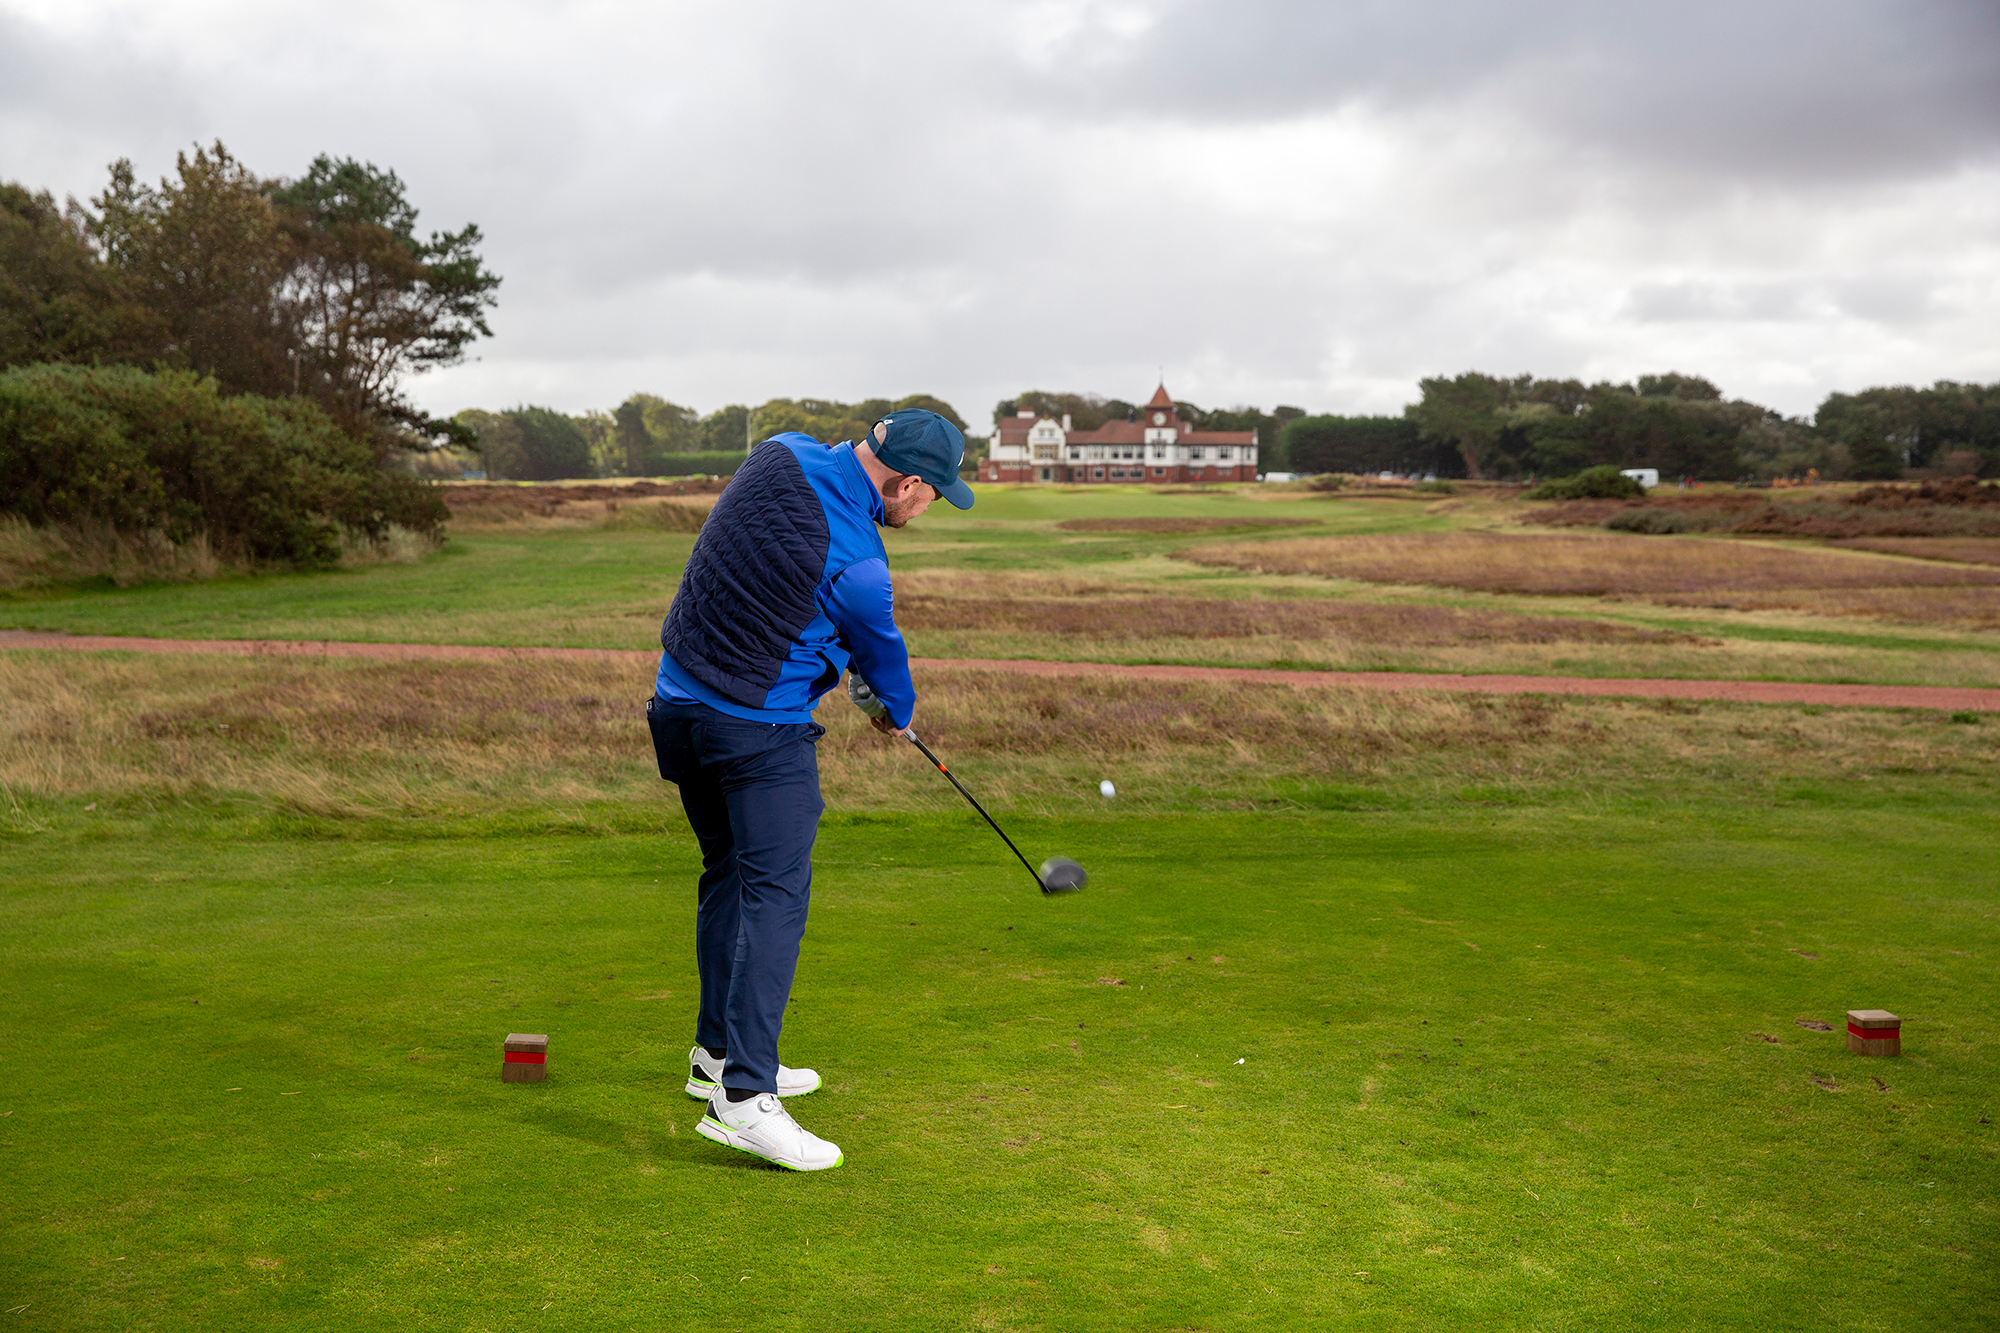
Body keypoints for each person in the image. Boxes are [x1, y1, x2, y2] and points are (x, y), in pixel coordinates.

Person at [645, 408, 974, 1171]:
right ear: (910, 483)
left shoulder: (778, 452)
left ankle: (716, 1058)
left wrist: (829, 651)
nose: (927, 510)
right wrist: (893, 713)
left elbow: (771, 577)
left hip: (675, 711)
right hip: (755, 737)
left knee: (728, 872)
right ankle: (746, 1100)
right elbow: (884, 669)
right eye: (933, 496)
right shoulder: (862, 563)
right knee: (775, 893)